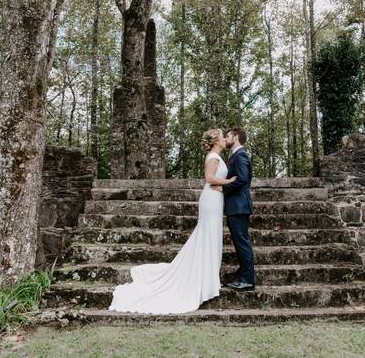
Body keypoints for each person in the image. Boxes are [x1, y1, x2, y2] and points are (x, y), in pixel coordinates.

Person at [108, 129, 236, 314]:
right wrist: (229, 181)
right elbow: (209, 178)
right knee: (208, 237)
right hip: (211, 200)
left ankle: (209, 278)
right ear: (216, 140)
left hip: (216, 200)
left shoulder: (216, 155)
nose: (225, 139)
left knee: (211, 239)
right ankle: (207, 281)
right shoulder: (213, 156)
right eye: (223, 136)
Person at [223, 127, 255, 291]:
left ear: (235, 137)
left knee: (242, 243)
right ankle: (243, 275)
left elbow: (242, 179)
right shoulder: (234, 155)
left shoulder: (241, 155)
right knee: (239, 242)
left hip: (239, 206)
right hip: (235, 206)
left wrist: (223, 188)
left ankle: (247, 280)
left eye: (227, 136)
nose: (225, 138)